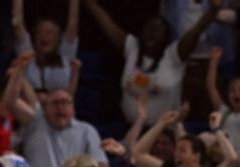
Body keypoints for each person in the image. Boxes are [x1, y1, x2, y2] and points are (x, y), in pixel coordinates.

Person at [83, 0, 220, 125]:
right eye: (149, 28)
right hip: (131, 129)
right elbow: (106, 22)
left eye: (158, 29)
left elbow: (197, 29)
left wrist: (213, 10)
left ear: (166, 36)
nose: (152, 33)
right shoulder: (132, 47)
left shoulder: (173, 55)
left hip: (163, 132)